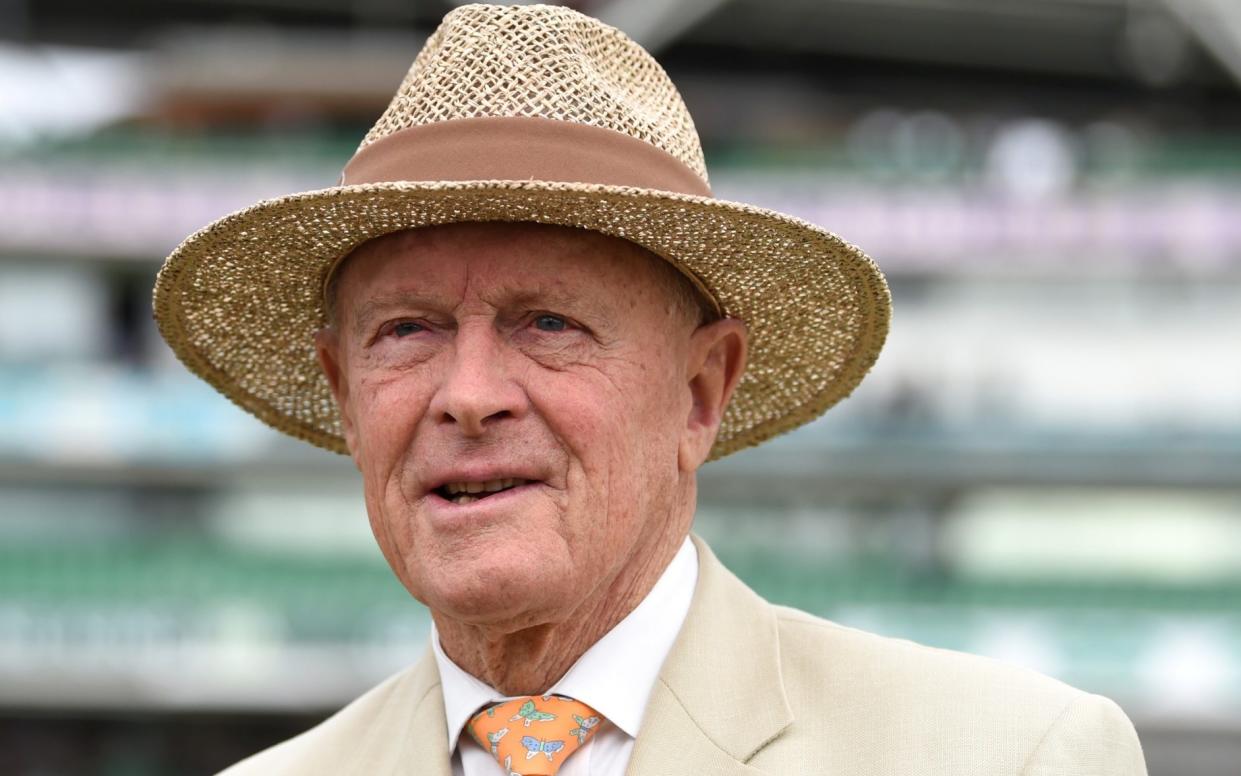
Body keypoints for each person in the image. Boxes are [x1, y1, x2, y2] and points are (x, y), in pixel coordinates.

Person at [153, 4, 1148, 775]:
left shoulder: (1006, 755)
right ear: (342, 391)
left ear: (699, 390)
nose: (466, 393)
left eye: (548, 323)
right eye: (406, 330)